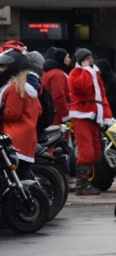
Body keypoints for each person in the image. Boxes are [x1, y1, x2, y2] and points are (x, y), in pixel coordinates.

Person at [67, 48, 114, 195]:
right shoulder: (76, 73)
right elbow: (81, 87)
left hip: (93, 116)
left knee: (95, 153)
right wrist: (87, 70)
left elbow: (102, 97)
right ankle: (82, 186)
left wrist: (107, 116)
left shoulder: (93, 74)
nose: (92, 60)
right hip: (81, 116)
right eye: (88, 58)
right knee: (86, 152)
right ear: (81, 60)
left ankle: (85, 184)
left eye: (92, 58)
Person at [0, 49, 41, 179]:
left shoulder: (14, 88)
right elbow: (39, 111)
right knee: (22, 175)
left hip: (13, 138)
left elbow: (12, 114)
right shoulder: (28, 88)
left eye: (5, 66)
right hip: (27, 138)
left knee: (13, 178)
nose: (2, 69)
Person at [41, 47, 72, 125]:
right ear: (62, 58)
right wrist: (67, 117)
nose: (69, 59)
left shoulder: (48, 72)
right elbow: (59, 97)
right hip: (60, 115)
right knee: (63, 136)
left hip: (55, 113)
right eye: (67, 57)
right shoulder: (57, 74)